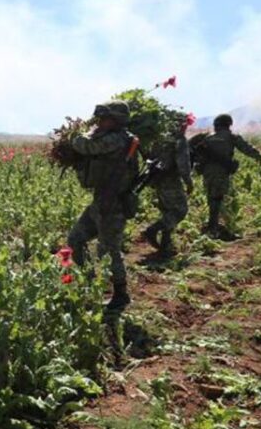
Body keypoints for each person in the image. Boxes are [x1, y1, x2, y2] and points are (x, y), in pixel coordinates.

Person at [66, 100, 140, 312]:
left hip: (113, 204)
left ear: (117, 120)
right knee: (75, 239)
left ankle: (120, 294)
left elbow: (84, 146)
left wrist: (77, 135)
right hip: (101, 202)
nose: (100, 122)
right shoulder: (115, 137)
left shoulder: (117, 139)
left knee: (108, 251)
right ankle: (88, 282)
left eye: (104, 119)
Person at [189, 113, 261, 239]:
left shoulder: (206, 138)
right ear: (229, 125)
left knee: (211, 198)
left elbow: (192, 151)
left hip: (207, 172)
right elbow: (246, 148)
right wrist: (257, 155)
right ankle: (213, 227)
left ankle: (213, 225)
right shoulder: (232, 137)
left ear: (216, 125)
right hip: (221, 171)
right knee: (218, 199)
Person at [141, 127, 193, 256]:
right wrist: (188, 182)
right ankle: (152, 230)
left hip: (157, 178)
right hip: (171, 180)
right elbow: (183, 164)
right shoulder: (179, 140)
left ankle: (166, 245)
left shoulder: (159, 138)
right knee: (180, 210)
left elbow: (149, 157)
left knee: (168, 211)